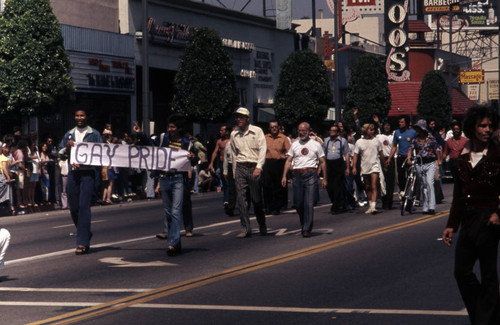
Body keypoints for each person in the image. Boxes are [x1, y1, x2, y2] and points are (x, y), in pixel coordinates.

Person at [442, 105, 500, 325]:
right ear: (472, 127)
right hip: (468, 220)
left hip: (489, 220)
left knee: (488, 275)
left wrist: (498, 213)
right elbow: (458, 195)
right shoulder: (463, 157)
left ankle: (485, 320)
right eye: (482, 125)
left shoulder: (497, 153)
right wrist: (451, 225)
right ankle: (485, 315)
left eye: (490, 126)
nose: (487, 129)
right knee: (462, 272)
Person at [133, 115, 196, 255]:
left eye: (173, 127)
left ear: (179, 128)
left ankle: (172, 244)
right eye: (169, 127)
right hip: (164, 178)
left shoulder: (187, 143)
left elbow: (195, 159)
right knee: (168, 211)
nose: (170, 130)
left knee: (175, 211)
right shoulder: (162, 138)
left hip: (179, 179)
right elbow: (149, 142)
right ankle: (176, 243)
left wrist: (193, 158)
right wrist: (140, 133)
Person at [59, 108, 103, 255]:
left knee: (84, 207)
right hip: (73, 174)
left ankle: (82, 242)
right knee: (74, 208)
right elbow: (60, 153)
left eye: (82, 115)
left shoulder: (94, 134)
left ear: (86, 117)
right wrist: (67, 147)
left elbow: (102, 153)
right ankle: (85, 232)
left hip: (88, 174)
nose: (79, 118)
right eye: (77, 115)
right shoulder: (69, 134)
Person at [282, 122, 327, 237]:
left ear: (308, 131)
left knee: (308, 203)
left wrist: (325, 178)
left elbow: (322, 161)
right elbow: (288, 160)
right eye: (299, 131)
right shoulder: (295, 144)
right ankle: (304, 222)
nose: (301, 133)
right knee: (298, 203)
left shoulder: (316, 144)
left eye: (303, 131)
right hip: (297, 175)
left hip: (310, 174)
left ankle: (306, 228)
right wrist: (284, 176)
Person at [229, 107, 267, 238]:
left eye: (241, 117)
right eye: (237, 117)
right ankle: (245, 228)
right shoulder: (234, 134)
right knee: (241, 200)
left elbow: (263, 149)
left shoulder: (257, 131)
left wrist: (259, 167)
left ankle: (262, 224)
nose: (238, 119)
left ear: (247, 119)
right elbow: (234, 154)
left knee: (256, 200)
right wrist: (235, 172)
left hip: (254, 167)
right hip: (240, 167)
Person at [407, 119, 440, 215]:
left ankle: (432, 206)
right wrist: (409, 158)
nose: (416, 130)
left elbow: (437, 149)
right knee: (423, 185)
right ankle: (425, 206)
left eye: (418, 128)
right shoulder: (415, 139)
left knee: (430, 182)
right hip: (419, 163)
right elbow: (410, 148)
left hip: (430, 163)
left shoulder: (431, 138)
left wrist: (439, 160)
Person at [352, 123, 384, 214]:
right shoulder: (359, 142)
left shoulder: (376, 141)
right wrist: (354, 167)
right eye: (370, 129)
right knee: (367, 186)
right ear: (365, 131)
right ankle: (370, 205)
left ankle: (374, 206)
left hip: (375, 165)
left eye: (373, 129)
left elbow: (381, 153)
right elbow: (355, 155)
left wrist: (384, 164)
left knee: (374, 185)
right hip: (365, 166)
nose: (372, 131)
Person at [263, 120, 290, 215]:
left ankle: (276, 207)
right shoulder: (265, 137)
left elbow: (289, 152)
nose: (274, 129)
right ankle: (268, 206)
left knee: (277, 186)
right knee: (266, 185)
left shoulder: (283, 138)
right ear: (269, 128)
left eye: (275, 127)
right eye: (272, 127)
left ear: (278, 127)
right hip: (267, 163)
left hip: (279, 163)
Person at [323, 124, 350, 214]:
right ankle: (336, 202)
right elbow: (323, 155)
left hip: (339, 163)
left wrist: (347, 168)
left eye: (334, 131)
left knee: (338, 186)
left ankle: (336, 206)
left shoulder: (342, 141)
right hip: (329, 164)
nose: (331, 132)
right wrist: (320, 167)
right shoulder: (326, 141)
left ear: (338, 132)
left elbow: (346, 154)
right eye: (330, 130)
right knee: (329, 186)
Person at [386, 116, 417, 197]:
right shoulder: (397, 132)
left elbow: (416, 145)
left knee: (412, 177)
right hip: (400, 157)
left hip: (410, 157)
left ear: (406, 123)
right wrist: (389, 157)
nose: (400, 123)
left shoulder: (413, 132)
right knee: (401, 176)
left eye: (402, 122)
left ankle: (413, 194)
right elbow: (394, 146)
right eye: (399, 122)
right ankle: (403, 192)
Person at [208, 125, 231, 212]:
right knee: (224, 182)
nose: (220, 132)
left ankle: (227, 200)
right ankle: (226, 200)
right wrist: (211, 163)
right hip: (222, 163)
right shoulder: (219, 141)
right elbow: (215, 152)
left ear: (227, 132)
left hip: (230, 163)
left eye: (222, 131)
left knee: (229, 183)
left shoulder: (231, 141)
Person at [377, 121, 395, 210]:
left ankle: (389, 202)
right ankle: (384, 201)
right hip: (381, 159)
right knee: (382, 182)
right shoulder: (379, 136)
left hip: (390, 159)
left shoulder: (392, 137)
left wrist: (389, 159)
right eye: (385, 125)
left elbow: (395, 147)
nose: (387, 127)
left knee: (390, 182)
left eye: (388, 125)